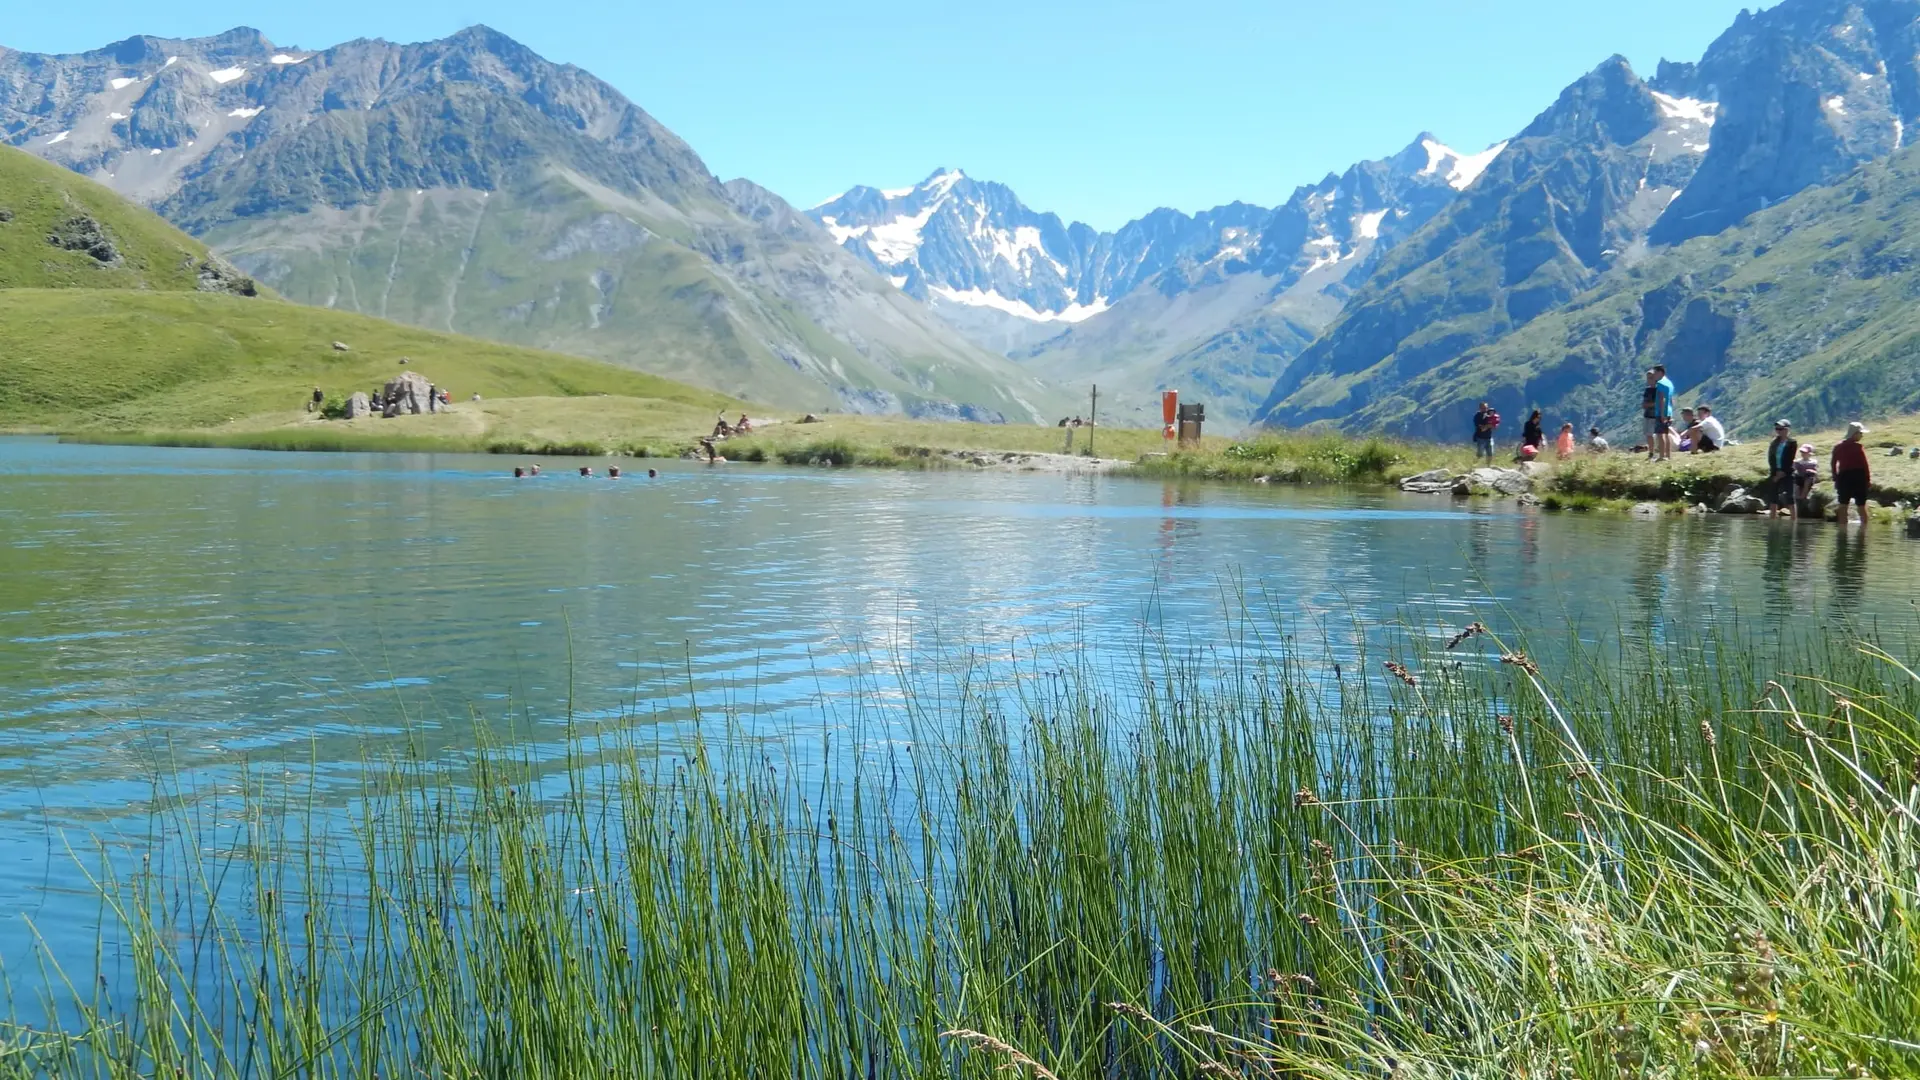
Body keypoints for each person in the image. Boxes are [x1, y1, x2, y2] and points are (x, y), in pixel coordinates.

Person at [1831, 421, 1873, 525]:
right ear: (1855, 433)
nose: (1862, 435)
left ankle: (1842, 532)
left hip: (1843, 477)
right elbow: (1865, 465)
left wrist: (1835, 477)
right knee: (1861, 505)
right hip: (1859, 477)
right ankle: (1864, 531)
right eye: (1860, 433)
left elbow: (1833, 463)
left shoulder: (1838, 447)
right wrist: (1868, 480)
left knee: (1843, 505)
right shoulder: (1858, 448)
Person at [1765, 420, 1799, 519]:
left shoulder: (1792, 442)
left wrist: (1782, 472)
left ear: (1787, 429)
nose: (1778, 431)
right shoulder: (1774, 442)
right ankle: (1772, 519)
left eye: (1781, 429)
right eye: (1777, 429)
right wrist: (1775, 472)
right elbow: (1771, 458)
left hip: (1787, 472)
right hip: (1775, 472)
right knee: (1773, 496)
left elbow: (1790, 458)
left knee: (1790, 496)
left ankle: (1794, 520)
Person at [1652, 365, 1677, 460]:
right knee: (1666, 434)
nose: (1654, 375)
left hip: (1661, 412)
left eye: (1655, 373)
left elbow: (1662, 399)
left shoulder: (1660, 384)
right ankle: (1668, 455)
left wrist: (1662, 414)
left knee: (1660, 434)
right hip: (1668, 411)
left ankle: (1661, 456)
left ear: (1660, 372)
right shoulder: (1669, 383)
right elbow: (1671, 399)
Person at [1640, 370, 1659, 459]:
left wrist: (1648, 405)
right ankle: (1651, 451)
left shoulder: (1658, 390)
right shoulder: (1647, 390)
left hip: (1655, 415)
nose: (1649, 380)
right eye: (1648, 378)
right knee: (1648, 434)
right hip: (1647, 414)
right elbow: (1644, 403)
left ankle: (1656, 451)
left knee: (1655, 434)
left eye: (1651, 378)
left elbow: (1658, 403)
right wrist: (1646, 405)